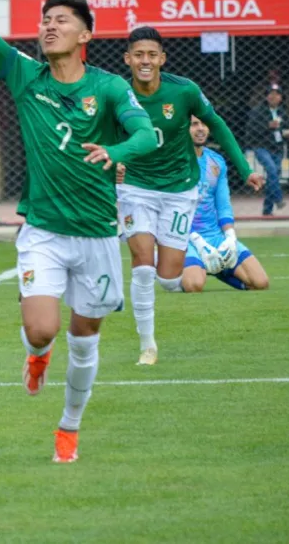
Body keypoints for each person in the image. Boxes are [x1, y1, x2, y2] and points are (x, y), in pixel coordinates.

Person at [0, 0, 159, 463]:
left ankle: (69, 426)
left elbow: (145, 133)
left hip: (99, 235)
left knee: (86, 337)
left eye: (62, 20)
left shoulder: (107, 87)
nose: (50, 26)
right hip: (43, 231)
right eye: (46, 19)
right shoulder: (24, 75)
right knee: (43, 329)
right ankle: (37, 357)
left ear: (86, 34)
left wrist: (116, 152)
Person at [115, 27, 261, 365]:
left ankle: (211, 267)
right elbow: (103, 135)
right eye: (139, 54)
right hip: (135, 188)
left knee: (168, 277)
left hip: (180, 191)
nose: (145, 61)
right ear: (128, 59)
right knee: (141, 265)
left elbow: (219, 125)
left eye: (152, 54)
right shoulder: (117, 93)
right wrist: (112, 167)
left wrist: (244, 169)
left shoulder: (184, 91)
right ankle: (147, 345)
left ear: (162, 59)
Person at [182, 116, 271, 292]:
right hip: (186, 237)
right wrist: (198, 242)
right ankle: (167, 270)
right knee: (194, 285)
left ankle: (220, 268)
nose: (201, 128)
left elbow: (223, 205)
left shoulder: (217, 161)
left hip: (215, 236)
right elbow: (172, 210)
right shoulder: (173, 162)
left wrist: (230, 237)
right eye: (194, 124)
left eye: (204, 123)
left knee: (260, 283)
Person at [246, 83, 289, 215]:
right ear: (267, 96)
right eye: (271, 94)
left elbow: (285, 129)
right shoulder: (257, 111)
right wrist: (267, 126)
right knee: (272, 170)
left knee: (273, 177)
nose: (273, 97)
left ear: (281, 97)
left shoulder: (282, 112)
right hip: (261, 146)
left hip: (277, 147)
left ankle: (267, 209)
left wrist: (288, 133)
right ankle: (279, 199)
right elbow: (250, 131)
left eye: (277, 94)